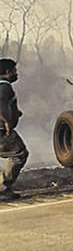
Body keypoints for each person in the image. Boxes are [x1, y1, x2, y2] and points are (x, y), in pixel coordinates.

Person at [0, 59, 27, 201]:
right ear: (7, 72)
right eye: (14, 71)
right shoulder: (5, 87)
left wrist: (16, 112)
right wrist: (8, 122)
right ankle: (3, 187)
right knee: (20, 154)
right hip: (2, 131)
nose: (16, 74)